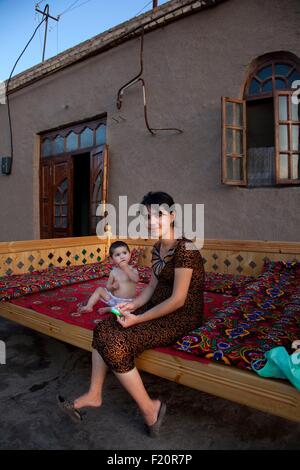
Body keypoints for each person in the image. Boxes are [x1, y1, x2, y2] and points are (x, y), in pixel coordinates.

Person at [57, 191, 205, 437]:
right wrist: (133, 305)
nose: (152, 221)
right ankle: (94, 394)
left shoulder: (186, 249)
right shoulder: (158, 247)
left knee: (116, 342)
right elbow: (150, 287)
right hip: (158, 305)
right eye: (147, 216)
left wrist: (138, 319)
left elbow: (178, 300)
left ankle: (150, 409)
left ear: (173, 216)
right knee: (104, 327)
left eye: (158, 215)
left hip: (181, 315)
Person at [78, 241, 139, 315]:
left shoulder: (133, 270)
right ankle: (89, 306)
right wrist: (113, 287)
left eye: (124, 253)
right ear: (111, 259)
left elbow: (136, 279)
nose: (122, 256)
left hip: (127, 302)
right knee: (99, 289)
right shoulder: (113, 272)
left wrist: (126, 268)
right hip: (113, 299)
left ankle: (111, 309)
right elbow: (108, 287)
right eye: (117, 255)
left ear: (130, 255)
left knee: (129, 311)